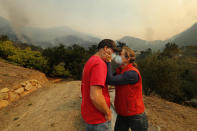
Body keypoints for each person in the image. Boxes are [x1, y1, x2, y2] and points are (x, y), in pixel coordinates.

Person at [106, 46, 148, 131]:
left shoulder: (132, 73)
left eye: (120, 55)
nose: (117, 56)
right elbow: (106, 78)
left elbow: (109, 79)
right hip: (122, 114)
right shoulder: (121, 71)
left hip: (135, 116)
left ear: (127, 58)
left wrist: (108, 61)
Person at [81, 39, 119, 131]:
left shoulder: (91, 61)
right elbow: (95, 96)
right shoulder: (99, 64)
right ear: (106, 48)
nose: (112, 54)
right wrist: (107, 113)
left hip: (89, 114)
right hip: (99, 118)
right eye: (112, 51)